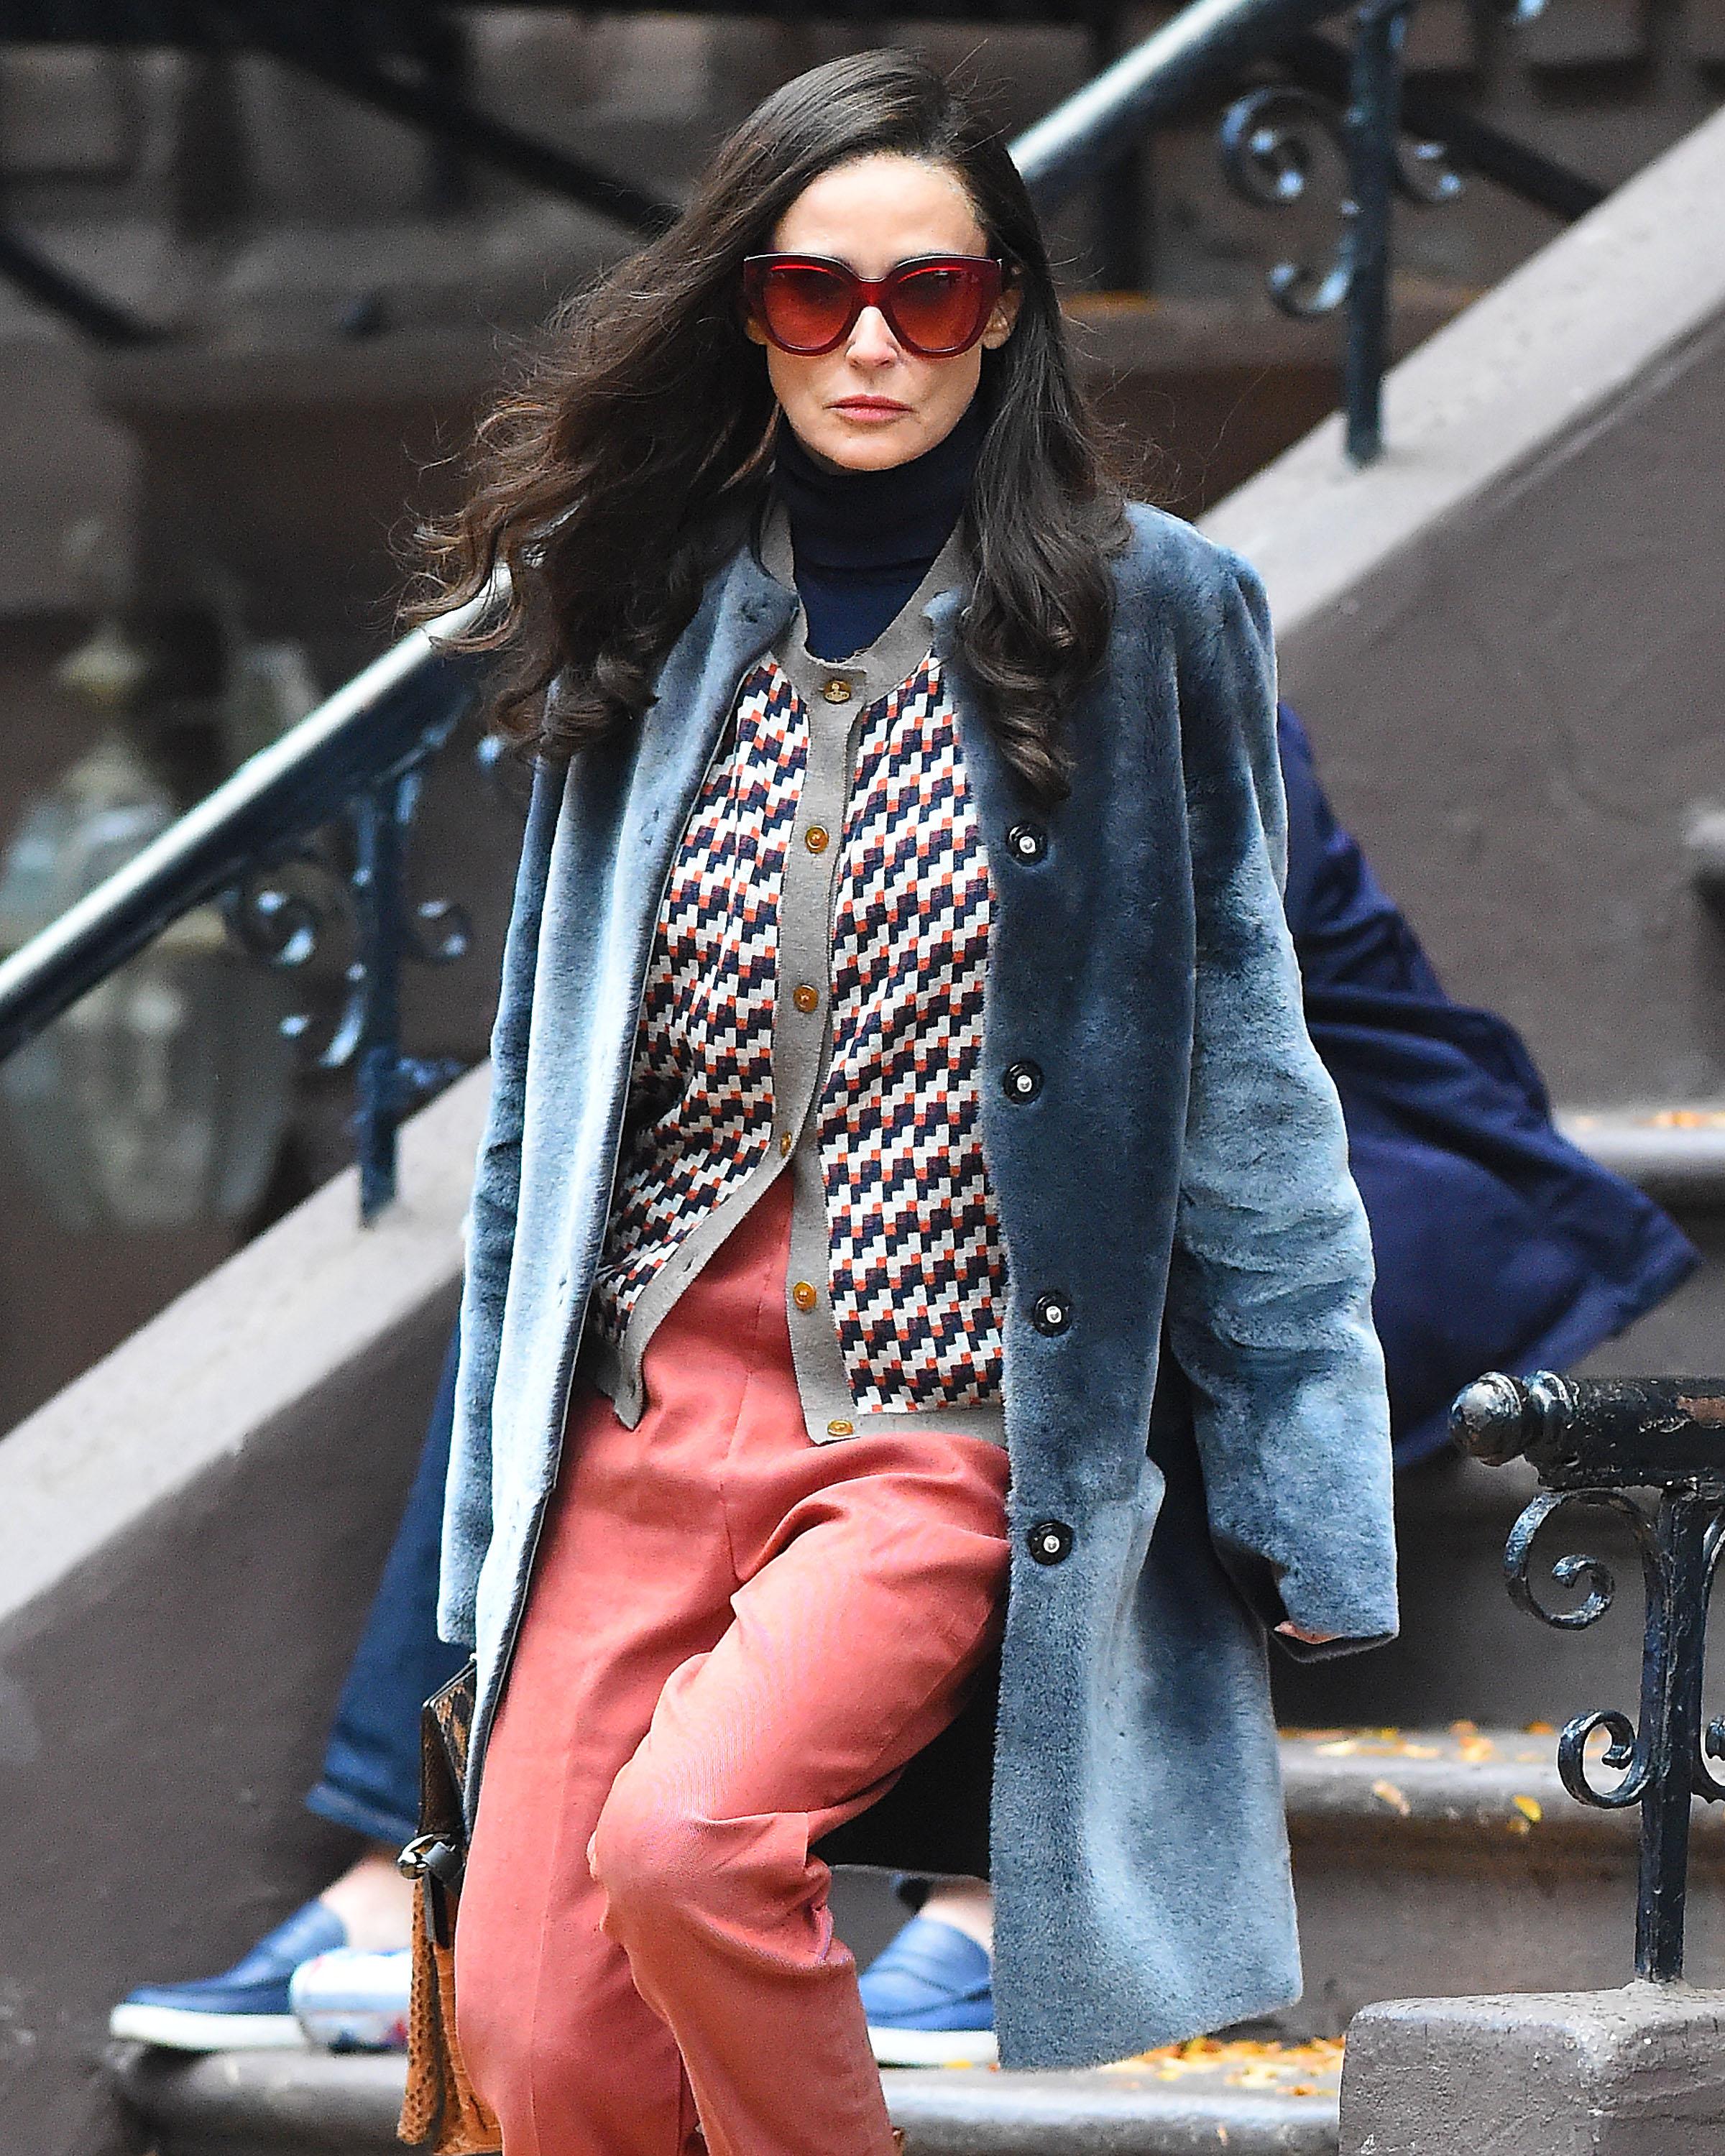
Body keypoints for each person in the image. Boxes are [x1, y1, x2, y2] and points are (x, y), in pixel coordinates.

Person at [427, 46, 1397, 2153]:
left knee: (692, 1847)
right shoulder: (651, 597)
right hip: (639, 1412)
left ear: (1009, 313)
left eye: (930, 296)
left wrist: (1309, 1472)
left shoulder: (1152, 612)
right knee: (529, 2034)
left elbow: (1247, 1066)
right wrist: (484, 1506)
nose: (871, 343)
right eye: (813, 293)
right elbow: (544, 1096)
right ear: (745, 311)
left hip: (940, 1428)